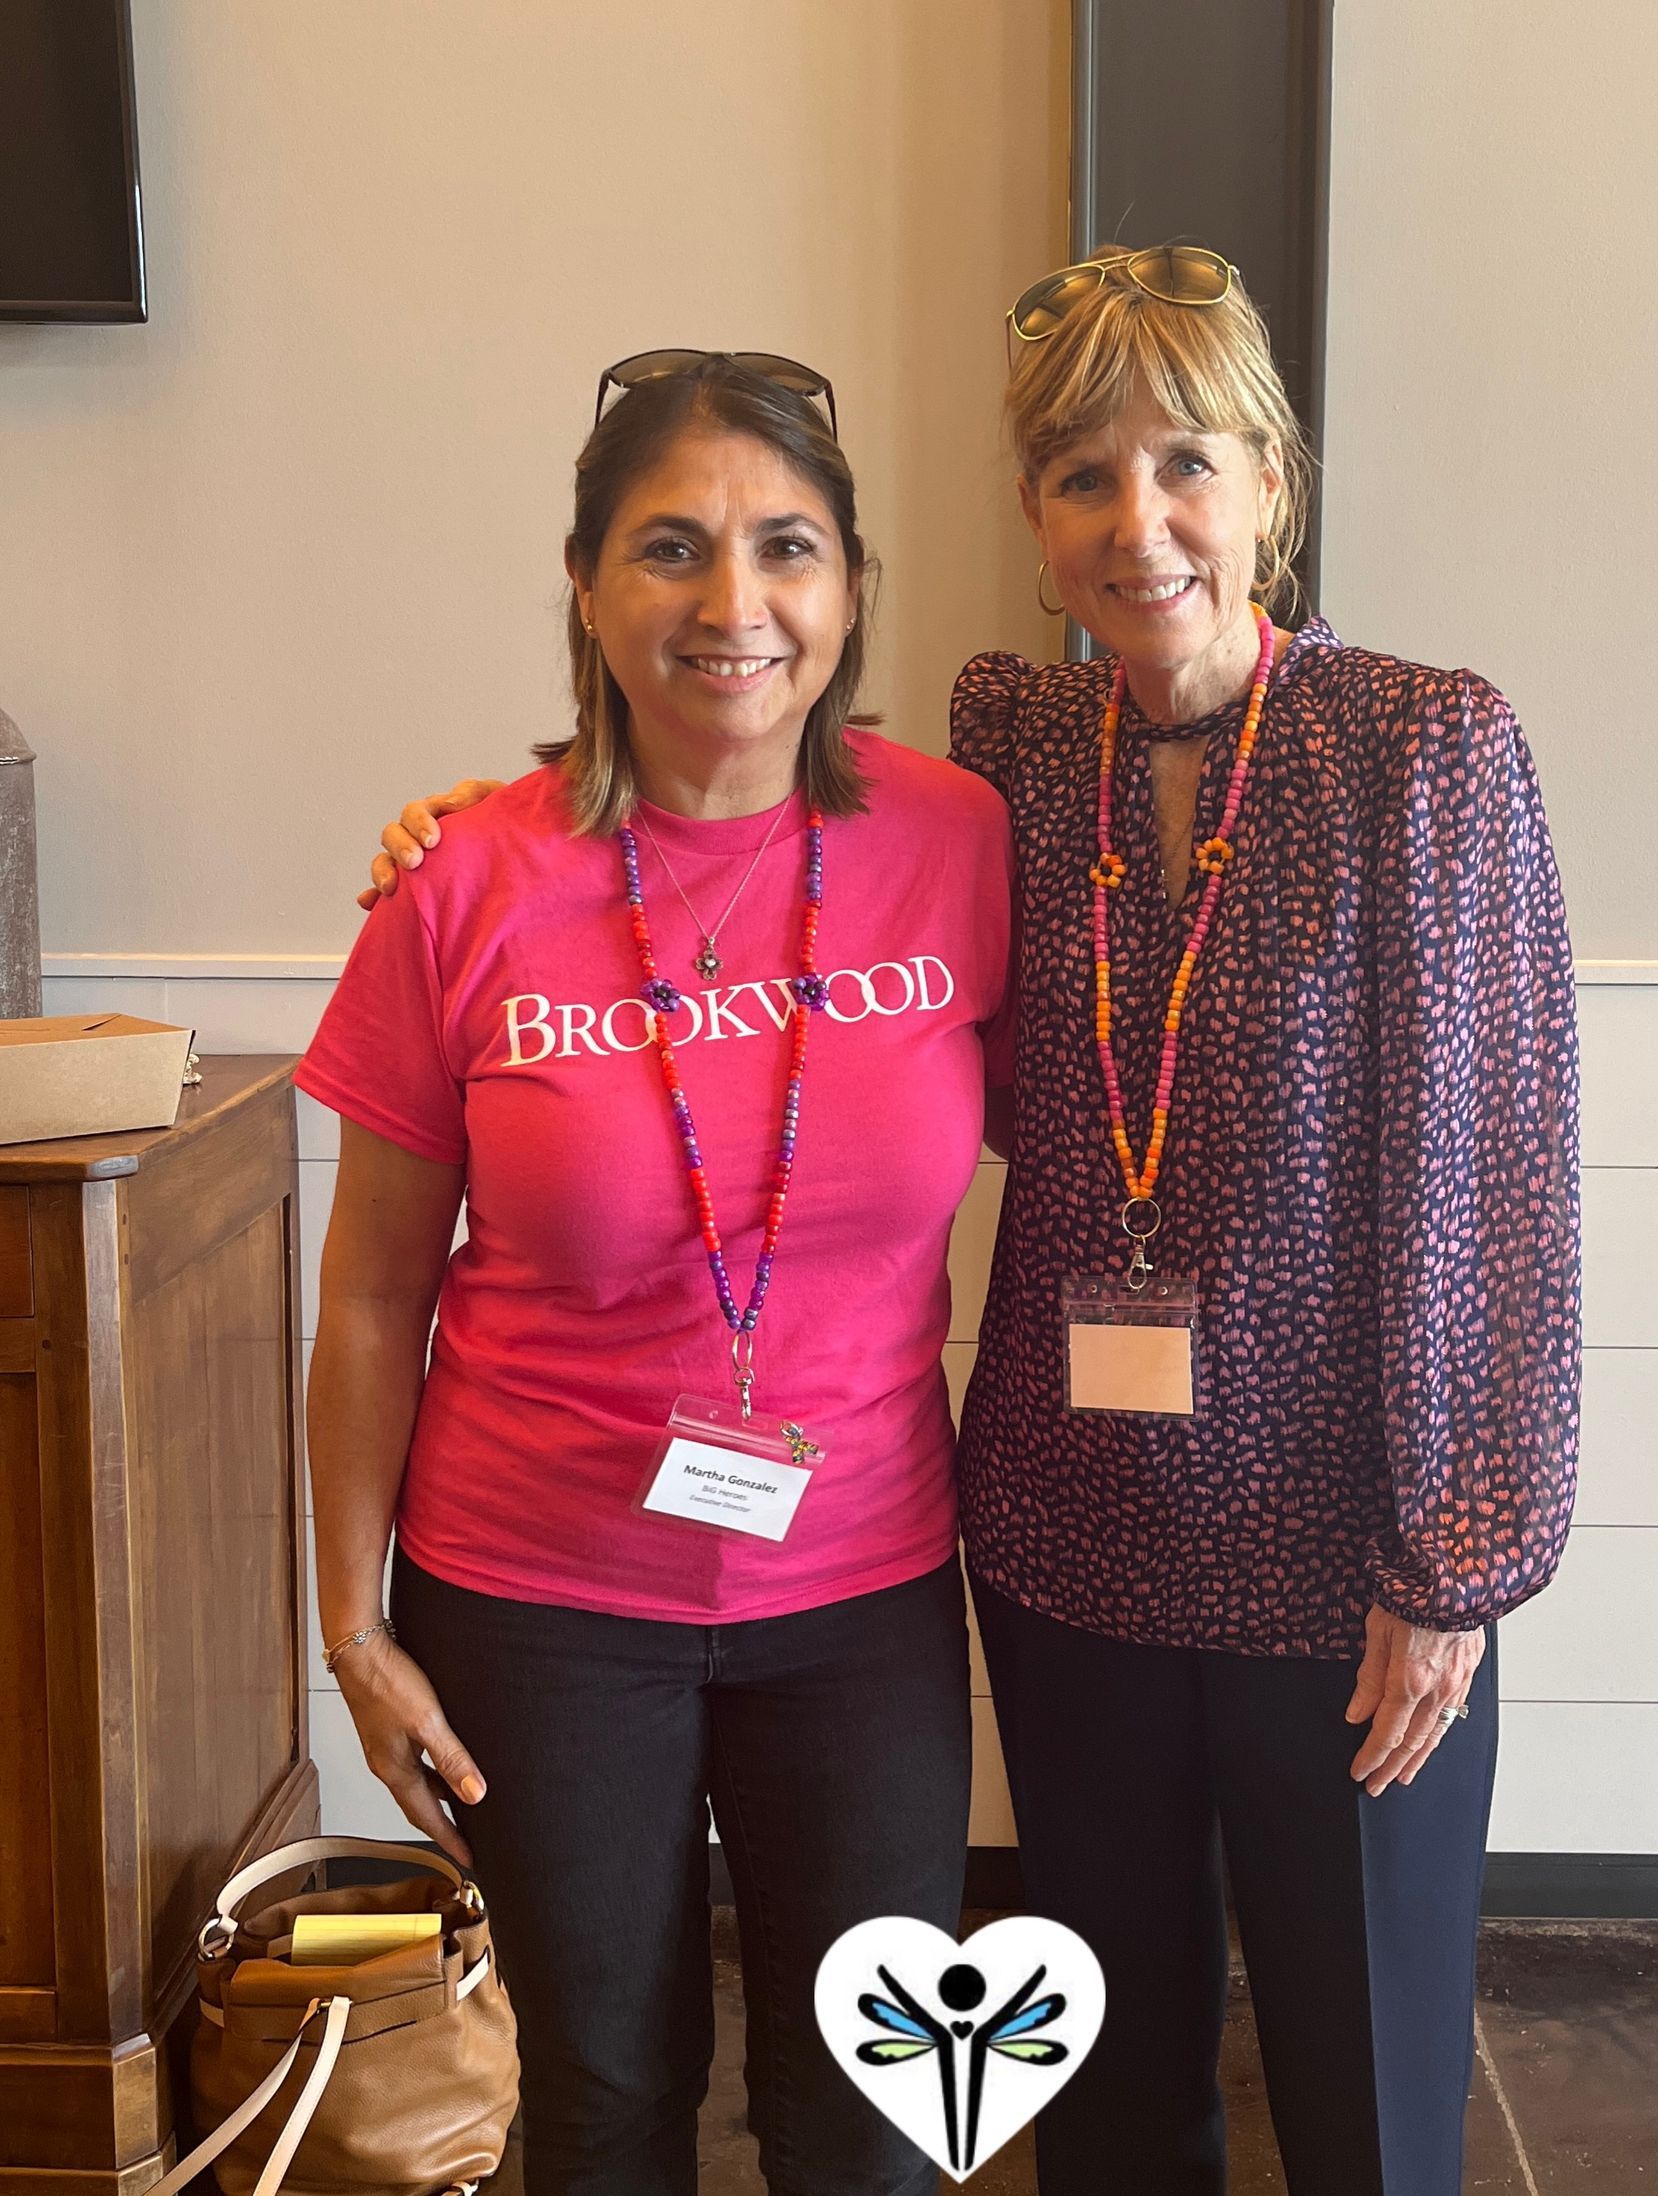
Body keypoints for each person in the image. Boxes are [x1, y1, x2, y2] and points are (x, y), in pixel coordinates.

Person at [364, 247, 1580, 2196]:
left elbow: (1499, 1188)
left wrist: (1459, 1555)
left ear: (1273, 478)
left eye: (1186, 462)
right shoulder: (1014, 744)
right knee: (1100, 2093)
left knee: (1368, 2103)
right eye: (1084, 474)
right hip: (1068, 1535)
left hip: (1337, 1545)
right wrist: (505, 812)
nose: (1141, 522)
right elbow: (742, 805)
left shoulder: (1418, 754)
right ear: (1031, 517)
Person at [298, 350, 1014, 2196]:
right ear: (587, 586)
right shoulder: (466, 879)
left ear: (851, 589)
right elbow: (374, 1285)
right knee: (605, 2104)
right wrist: (352, 1624)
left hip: (857, 1595)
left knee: (865, 2119)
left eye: (787, 546)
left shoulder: (960, 843)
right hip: (535, 1604)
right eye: (670, 547)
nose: (733, 601)